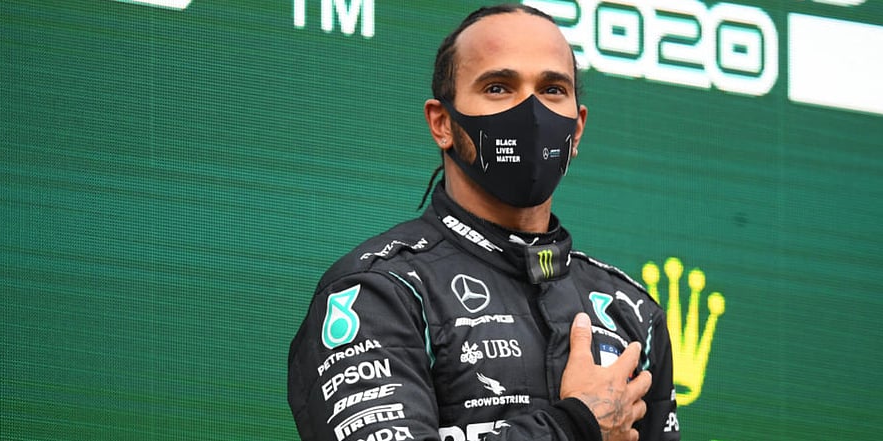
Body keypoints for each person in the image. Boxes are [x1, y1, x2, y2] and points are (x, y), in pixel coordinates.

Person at [288, 4, 679, 441]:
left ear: (578, 129)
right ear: (442, 123)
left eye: (552, 90)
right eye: (498, 87)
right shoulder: (379, 291)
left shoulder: (632, 311)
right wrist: (577, 426)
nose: (531, 112)